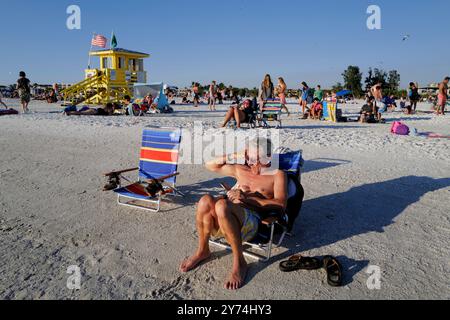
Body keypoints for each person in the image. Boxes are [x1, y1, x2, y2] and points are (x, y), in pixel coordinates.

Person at [179, 137, 289, 290]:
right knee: (205, 200)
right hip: (227, 219)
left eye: (258, 159)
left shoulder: (277, 175)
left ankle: (240, 262)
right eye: (250, 158)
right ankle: (203, 250)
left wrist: (247, 198)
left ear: (269, 157)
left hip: (252, 221)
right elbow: (209, 165)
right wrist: (235, 155)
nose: (253, 163)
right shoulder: (241, 169)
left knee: (223, 205)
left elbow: (281, 205)